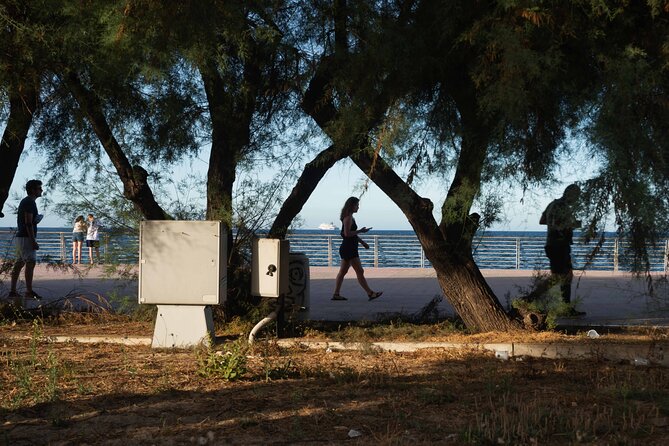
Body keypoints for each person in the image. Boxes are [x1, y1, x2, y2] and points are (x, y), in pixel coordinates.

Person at [539, 183, 585, 315]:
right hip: (558, 245)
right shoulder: (561, 206)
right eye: (577, 196)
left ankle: (566, 308)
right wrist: (572, 224)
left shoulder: (552, 204)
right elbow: (556, 226)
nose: (578, 199)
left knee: (566, 276)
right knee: (559, 277)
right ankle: (531, 298)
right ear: (571, 194)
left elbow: (542, 220)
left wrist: (562, 222)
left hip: (556, 245)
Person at [332, 197, 383, 301]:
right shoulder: (348, 218)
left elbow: (351, 234)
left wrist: (362, 242)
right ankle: (370, 293)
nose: (358, 207)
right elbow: (347, 234)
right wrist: (360, 231)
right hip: (349, 248)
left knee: (342, 272)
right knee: (359, 271)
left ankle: (336, 294)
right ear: (352, 206)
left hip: (349, 247)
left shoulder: (350, 217)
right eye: (357, 205)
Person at [9, 179, 44, 300]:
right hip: (26, 237)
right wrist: (33, 241)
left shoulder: (26, 201)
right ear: (33, 190)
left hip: (21, 236)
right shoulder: (30, 202)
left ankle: (13, 291)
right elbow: (28, 223)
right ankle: (28, 291)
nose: (41, 190)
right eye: (39, 188)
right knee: (30, 262)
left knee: (19, 262)